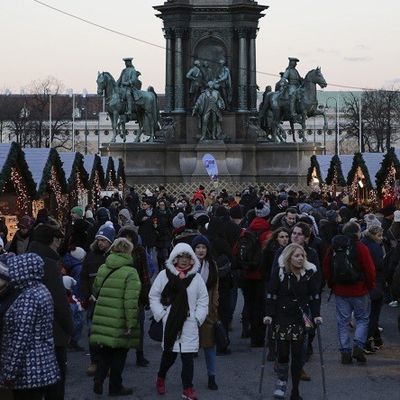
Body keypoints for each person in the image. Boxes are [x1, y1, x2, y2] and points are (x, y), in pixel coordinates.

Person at [149, 243, 208, 400]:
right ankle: (161, 377)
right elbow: (154, 295)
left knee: (188, 359)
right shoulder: (164, 275)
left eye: (188, 257)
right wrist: (161, 314)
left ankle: (188, 388)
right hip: (171, 322)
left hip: (190, 322)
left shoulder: (196, 278)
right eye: (181, 257)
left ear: (192, 260)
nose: (184, 260)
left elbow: (203, 299)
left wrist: (198, 317)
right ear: (175, 258)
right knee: (169, 356)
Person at [264, 244, 321, 400]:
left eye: (302, 256)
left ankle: (295, 389)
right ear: (289, 257)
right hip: (281, 318)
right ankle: (282, 381)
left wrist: (316, 315)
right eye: (297, 256)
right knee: (283, 354)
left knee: (298, 356)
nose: (300, 258)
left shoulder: (309, 274)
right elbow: (271, 294)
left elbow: (314, 296)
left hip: (300, 318)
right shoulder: (280, 272)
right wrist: (269, 314)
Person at [0, 253, 60, 400]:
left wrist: (8, 373)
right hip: (42, 365)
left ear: (21, 271)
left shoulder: (28, 298)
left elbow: (19, 339)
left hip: (28, 370)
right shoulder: (39, 290)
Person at [27, 224, 74, 400]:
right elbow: (59, 302)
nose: (58, 244)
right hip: (52, 332)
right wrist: (70, 328)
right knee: (55, 382)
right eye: (57, 240)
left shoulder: (24, 259)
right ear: (52, 241)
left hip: (29, 331)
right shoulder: (48, 264)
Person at [90, 238, 141, 397]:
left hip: (104, 315)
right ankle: (115, 386)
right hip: (120, 318)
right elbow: (130, 301)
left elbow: (95, 289)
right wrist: (130, 323)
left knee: (106, 351)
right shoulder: (131, 272)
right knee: (120, 353)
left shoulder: (103, 267)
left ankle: (99, 378)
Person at [323, 221, 376, 364]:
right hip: (359, 289)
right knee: (363, 319)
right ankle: (358, 344)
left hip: (341, 290)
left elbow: (327, 267)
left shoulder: (334, 247)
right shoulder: (360, 247)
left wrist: (331, 284)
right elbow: (369, 269)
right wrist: (370, 286)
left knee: (343, 321)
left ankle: (345, 351)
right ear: (356, 232)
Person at [80, 225, 115, 376]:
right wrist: (87, 295)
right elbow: (83, 276)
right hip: (94, 300)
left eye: (104, 240)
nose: (101, 243)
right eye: (99, 240)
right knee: (93, 332)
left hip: (110, 300)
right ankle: (95, 361)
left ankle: (107, 364)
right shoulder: (90, 255)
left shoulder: (114, 257)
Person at [117, 226, 151, 367]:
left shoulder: (139, 252)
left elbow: (145, 274)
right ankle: (119, 355)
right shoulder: (116, 254)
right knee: (120, 325)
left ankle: (139, 354)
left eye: (129, 238)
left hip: (137, 294)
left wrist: (145, 294)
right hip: (120, 294)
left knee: (139, 325)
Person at [192, 235, 219, 391]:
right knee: (187, 347)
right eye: (198, 247)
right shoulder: (187, 264)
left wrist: (214, 309)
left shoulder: (212, 265)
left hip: (208, 310)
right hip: (190, 311)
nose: (201, 250)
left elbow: (215, 289)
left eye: (203, 247)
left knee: (209, 346)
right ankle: (187, 378)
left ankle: (211, 376)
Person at [361, 224, 385, 353]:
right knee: (373, 314)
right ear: (373, 235)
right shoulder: (375, 247)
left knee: (369, 313)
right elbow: (379, 265)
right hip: (375, 283)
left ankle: (377, 340)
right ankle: (366, 342)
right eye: (379, 235)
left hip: (364, 284)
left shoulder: (362, 243)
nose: (381, 238)